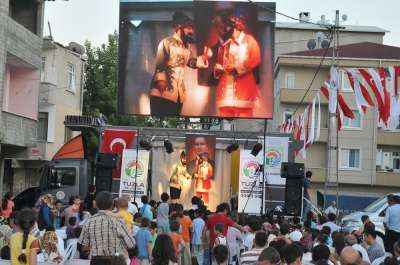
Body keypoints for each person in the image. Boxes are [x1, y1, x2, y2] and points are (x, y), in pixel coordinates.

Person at [149, 11, 209, 116]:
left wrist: (202, 59)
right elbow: (160, 63)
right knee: (159, 120)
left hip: (178, 95)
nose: (191, 31)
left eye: (192, 28)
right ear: (178, 27)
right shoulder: (167, 42)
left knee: (173, 122)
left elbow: (190, 62)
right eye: (189, 28)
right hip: (162, 92)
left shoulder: (186, 47)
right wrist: (161, 80)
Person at [211, 10, 261, 118]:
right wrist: (218, 69)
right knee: (224, 125)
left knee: (244, 124)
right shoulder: (225, 44)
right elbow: (219, 63)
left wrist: (237, 68)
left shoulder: (249, 40)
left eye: (227, 26)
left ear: (236, 24)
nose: (224, 28)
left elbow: (256, 58)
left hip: (244, 93)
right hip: (225, 95)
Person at [78, 191, 136, 264]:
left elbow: (83, 246)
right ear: (112, 204)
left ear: (95, 204)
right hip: (115, 260)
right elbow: (131, 244)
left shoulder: (89, 221)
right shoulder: (119, 221)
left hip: (96, 261)